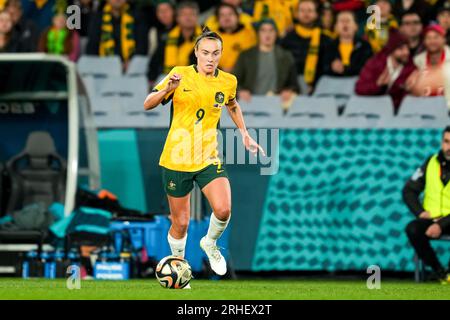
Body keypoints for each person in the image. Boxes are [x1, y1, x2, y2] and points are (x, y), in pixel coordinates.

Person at [143, 29, 265, 285]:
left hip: (208, 156)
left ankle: (210, 243)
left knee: (223, 209)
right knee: (181, 223)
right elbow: (148, 104)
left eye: (216, 53)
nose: (210, 58)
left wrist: (244, 133)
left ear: (221, 54)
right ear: (196, 53)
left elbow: (231, 104)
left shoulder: (228, 80)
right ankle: (179, 271)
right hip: (176, 158)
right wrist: (168, 88)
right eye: (205, 53)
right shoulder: (180, 73)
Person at [404, 126, 450, 283]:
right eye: (446, 142)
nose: (448, 147)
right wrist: (420, 213)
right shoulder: (431, 162)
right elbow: (409, 190)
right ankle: (440, 271)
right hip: (432, 218)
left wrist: (441, 225)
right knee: (413, 229)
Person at [233, 18, 300, 103]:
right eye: (263, 30)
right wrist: (240, 91)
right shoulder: (245, 56)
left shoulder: (286, 56)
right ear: (258, 34)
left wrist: (288, 91)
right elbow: (234, 81)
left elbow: (294, 84)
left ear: (276, 34)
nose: (267, 34)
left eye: (271, 30)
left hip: (276, 103)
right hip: (250, 102)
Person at [355, 30, 416, 111]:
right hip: (370, 109)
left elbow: (407, 102)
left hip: (396, 113)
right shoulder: (375, 64)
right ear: (391, 50)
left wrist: (409, 89)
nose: (406, 52)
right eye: (401, 49)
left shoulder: (412, 69)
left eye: (407, 48)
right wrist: (377, 85)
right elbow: (359, 88)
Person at [281, 0, 332, 94]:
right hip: (291, 88)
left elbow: (327, 67)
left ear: (316, 14)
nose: (306, 14)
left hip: (320, 87)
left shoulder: (326, 39)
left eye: (310, 10)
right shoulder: (287, 39)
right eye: (302, 10)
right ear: (296, 14)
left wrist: (314, 85)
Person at [147, 1, 202, 86]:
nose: (188, 17)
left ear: (197, 17)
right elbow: (155, 61)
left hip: (196, 82)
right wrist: (151, 79)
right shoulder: (167, 37)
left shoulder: (206, 38)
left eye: (192, 14)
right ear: (177, 18)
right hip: (168, 80)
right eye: (184, 14)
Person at [86, 0, 147, 69]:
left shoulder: (138, 16)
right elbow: (91, 48)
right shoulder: (97, 17)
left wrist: (132, 62)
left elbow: (142, 46)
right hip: (103, 68)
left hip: (132, 69)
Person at [407, 24, 450, 108]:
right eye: (428, 38)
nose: (432, 41)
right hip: (423, 110)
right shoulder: (417, 61)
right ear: (424, 41)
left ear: (444, 39)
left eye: (436, 37)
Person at [323, 10, 372, 77]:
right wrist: (331, 67)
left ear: (356, 26)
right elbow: (323, 67)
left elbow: (367, 69)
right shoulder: (328, 46)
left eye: (348, 21)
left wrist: (345, 69)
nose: (345, 24)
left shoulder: (365, 46)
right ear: (336, 27)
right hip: (333, 80)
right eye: (342, 21)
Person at [213, 3, 256, 73]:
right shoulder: (211, 37)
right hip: (217, 78)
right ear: (218, 19)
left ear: (238, 17)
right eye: (222, 15)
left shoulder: (249, 33)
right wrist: (220, 69)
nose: (226, 17)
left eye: (230, 14)